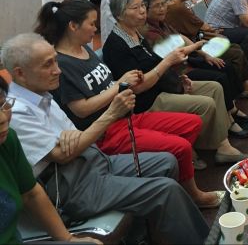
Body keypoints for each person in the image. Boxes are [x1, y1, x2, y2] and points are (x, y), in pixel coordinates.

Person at [3, 33, 210, 244]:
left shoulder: (43, 94)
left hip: (92, 160)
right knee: (165, 190)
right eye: (48, 64)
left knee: (167, 161)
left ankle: (143, 236)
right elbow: (63, 154)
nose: (58, 70)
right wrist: (111, 114)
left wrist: (72, 140)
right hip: (73, 187)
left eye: (56, 61)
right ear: (20, 73)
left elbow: (74, 137)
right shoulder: (16, 112)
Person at [34, 0, 225, 208]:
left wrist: (126, 81)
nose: (96, 29)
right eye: (92, 23)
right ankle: (193, 195)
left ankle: (173, 174)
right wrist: (120, 85)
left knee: (192, 123)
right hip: (107, 131)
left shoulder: (85, 50)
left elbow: (107, 85)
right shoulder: (64, 64)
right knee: (181, 147)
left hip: (127, 116)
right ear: (73, 26)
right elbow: (82, 109)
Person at [102, 0, 248, 164]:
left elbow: (156, 62)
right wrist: (169, 63)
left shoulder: (136, 34)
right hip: (147, 101)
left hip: (162, 86)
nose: (142, 11)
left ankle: (222, 145)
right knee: (206, 103)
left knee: (215, 88)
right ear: (119, 14)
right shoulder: (117, 45)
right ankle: (200, 146)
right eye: (135, 8)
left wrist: (178, 80)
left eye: (142, 5)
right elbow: (138, 87)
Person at [0, 75, 100, 244]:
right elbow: (61, 155)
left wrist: (67, 239)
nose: (3, 119)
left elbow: (31, 193)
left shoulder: (8, 140)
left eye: (3, 105)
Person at [142, 0, 248, 112]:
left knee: (228, 63)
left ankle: (235, 102)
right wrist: (198, 46)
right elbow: (176, 52)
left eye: (163, 4)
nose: (162, 8)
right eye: (157, 6)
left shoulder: (163, 23)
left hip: (190, 54)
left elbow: (181, 37)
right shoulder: (155, 27)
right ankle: (233, 108)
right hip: (179, 70)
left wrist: (203, 53)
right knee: (227, 64)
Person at [161, 0, 248, 99]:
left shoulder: (175, 5)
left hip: (193, 43)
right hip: (192, 50)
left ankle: (245, 84)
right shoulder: (177, 7)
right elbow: (205, 27)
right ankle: (245, 87)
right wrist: (212, 32)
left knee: (236, 46)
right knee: (235, 50)